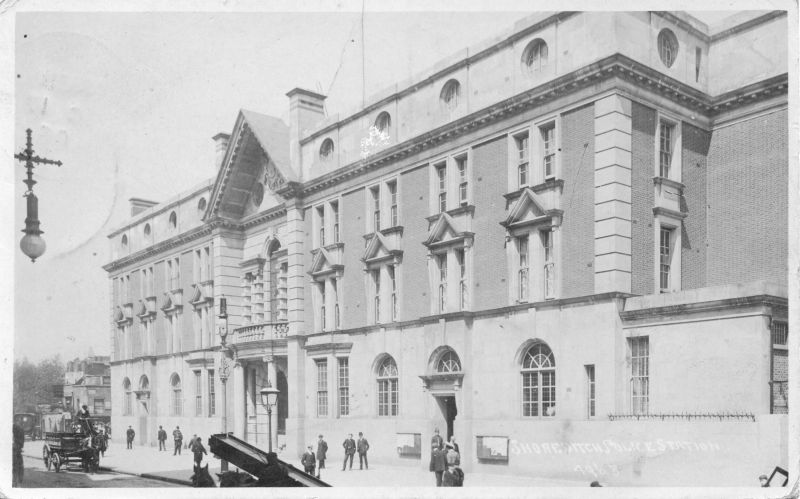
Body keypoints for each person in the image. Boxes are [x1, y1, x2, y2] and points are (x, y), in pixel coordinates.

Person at [13, 422, 24, 487]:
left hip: (15, 449)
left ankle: (17, 482)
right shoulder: (19, 428)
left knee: (17, 466)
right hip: (17, 449)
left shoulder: (17, 428)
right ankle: (18, 481)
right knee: (19, 466)